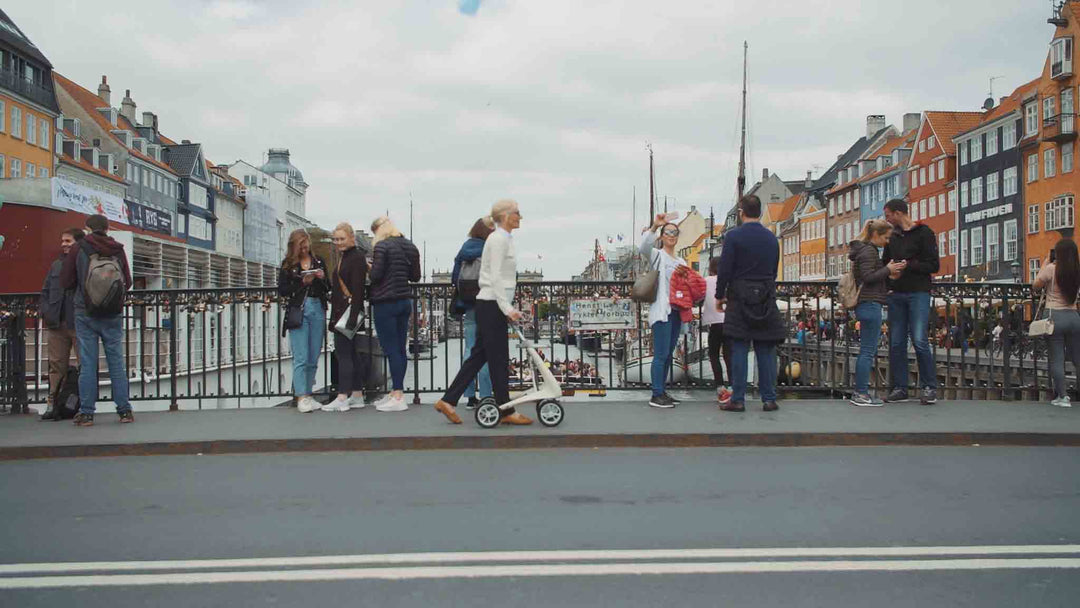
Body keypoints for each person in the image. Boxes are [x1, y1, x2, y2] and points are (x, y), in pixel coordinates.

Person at [434, 199, 533, 425]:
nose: (521, 216)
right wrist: (508, 308)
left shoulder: (501, 239)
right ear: (506, 216)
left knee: (480, 355)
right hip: (492, 305)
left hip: (490, 304)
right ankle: (506, 411)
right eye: (517, 212)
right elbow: (495, 277)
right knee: (497, 359)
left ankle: (448, 401)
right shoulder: (499, 240)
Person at [59, 214, 133, 427]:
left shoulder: (78, 248)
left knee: (88, 363)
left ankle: (87, 413)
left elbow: (66, 281)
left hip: (85, 312)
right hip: (112, 313)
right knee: (116, 362)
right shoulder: (117, 248)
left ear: (87, 228)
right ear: (108, 228)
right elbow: (126, 281)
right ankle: (124, 410)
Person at [714, 195, 784, 412]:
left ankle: (738, 399)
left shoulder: (733, 237)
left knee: (739, 348)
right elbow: (773, 269)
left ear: (741, 212)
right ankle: (769, 399)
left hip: (739, 296)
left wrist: (719, 296)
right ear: (760, 212)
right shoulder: (771, 238)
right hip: (765, 296)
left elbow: (724, 269)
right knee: (765, 348)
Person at [881, 198, 939, 405]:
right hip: (896, 293)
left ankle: (929, 387)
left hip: (918, 292)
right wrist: (890, 274)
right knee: (896, 343)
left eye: (887, 215)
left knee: (919, 339)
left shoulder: (924, 233)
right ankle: (900, 388)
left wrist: (909, 265)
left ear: (898, 213)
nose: (886, 219)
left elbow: (933, 265)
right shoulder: (893, 237)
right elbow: (885, 263)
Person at [848, 219, 904, 407]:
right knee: (867, 351)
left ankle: (860, 391)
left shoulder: (863, 251)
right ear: (876, 235)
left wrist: (888, 272)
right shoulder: (869, 251)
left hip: (866, 303)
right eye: (886, 237)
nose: (887, 241)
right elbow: (868, 276)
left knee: (866, 350)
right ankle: (861, 393)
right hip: (870, 303)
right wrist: (887, 269)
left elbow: (869, 275)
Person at [368, 216, 421, 412]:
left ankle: (398, 394)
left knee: (391, 349)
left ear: (378, 231)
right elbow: (415, 276)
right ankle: (396, 393)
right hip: (404, 301)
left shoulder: (382, 246)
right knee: (400, 348)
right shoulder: (410, 246)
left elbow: (376, 276)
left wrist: (369, 268)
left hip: (385, 302)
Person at [638, 213, 690, 408]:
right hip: (663, 310)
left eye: (674, 232)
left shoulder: (682, 262)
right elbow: (643, 248)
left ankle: (663, 390)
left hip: (677, 311)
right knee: (660, 354)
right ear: (662, 236)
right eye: (668, 232)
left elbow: (687, 286)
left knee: (669, 353)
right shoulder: (658, 256)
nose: (671, 235)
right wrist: (654, 227)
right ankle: (656, 394)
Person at [278, 229, 330, 413]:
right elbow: (283, 290)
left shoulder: (318, 261)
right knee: (301, 355)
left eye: (307, 246)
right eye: (302, 247)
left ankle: (308, 394)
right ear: (295, 247)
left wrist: (322, 278)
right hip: (299, 309)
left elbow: (328, 288)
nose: (305, 250)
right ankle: (301, 396)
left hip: (317, 308)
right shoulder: (288, 265)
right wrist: (303, 282)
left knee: (313, 355)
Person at [39, 228, 84, 420]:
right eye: (62, 241)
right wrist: (48, 313)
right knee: (56, 366)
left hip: (79, 323)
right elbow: (45, 291)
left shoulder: (84, 264)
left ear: (78, 243)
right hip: (57, 323)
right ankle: (53, 404)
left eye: (68, 241)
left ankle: (84, 406)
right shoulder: (56, 265)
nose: (63, 244)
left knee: (85, 365)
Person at [451, 216, 495, 409]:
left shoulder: (465, 248)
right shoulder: (491, 247)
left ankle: (469, 397)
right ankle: (486, 395)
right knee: (485, 350)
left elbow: (455, 278)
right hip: (487, 302)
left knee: (469, 349)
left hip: (468, 303)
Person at [1034, 239, 1080, 408]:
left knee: (1057, 358)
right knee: (1078, 358)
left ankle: (1063, 397)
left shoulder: (1052, 269)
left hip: (1055, 316)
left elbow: (1036, 285)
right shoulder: (1077, 270)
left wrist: (1045, 263)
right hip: (1074, 316)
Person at [327, 223, 367, 412]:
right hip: (345, 311)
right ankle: (357, 395)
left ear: (351, 237)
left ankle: (343, 396)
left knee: (343, 354)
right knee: (351, 354)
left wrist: (351, 318)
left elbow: (358, 290)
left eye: (342, 239)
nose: (338, 242)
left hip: (347, 313)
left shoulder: (356, 258)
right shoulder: (349, 257)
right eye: (335, 239)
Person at [704, 256, 733, 405]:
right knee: (729, 355)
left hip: (714, 323)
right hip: (728, 321)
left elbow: (699, 296)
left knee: (714, 354)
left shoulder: (706, 281)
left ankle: (720, 386)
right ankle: (733, 386)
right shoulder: (729, 280)